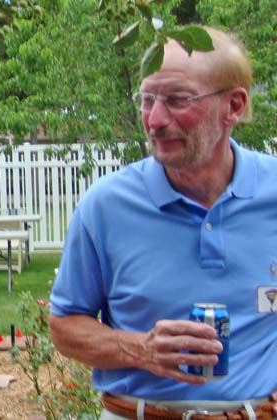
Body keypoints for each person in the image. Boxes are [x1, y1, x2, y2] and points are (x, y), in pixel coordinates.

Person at [49, 26, 277, 419]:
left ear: (234, 107)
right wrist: (140, 349)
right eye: (147, 99)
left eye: (176, 100)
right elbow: (64, 325)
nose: (154, 119)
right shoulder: (106, 206)